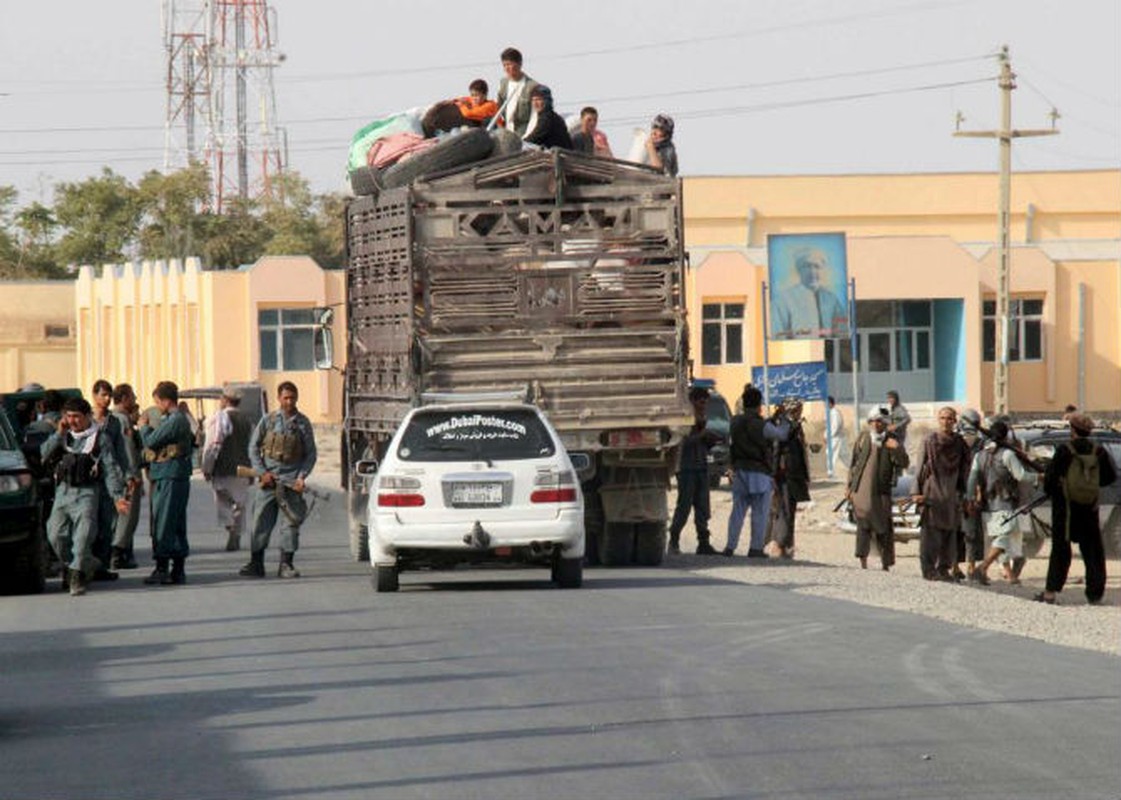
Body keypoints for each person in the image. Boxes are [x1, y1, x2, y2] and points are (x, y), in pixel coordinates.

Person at [40, 397, 129, 596]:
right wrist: (58, 434)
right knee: (55, 535)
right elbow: (43, 454)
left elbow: (111, 468)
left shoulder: (100, 438)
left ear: (87, 416)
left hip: (87, 493)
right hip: (63, 492)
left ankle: (77, 576)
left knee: (83, 536)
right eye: (69, 416)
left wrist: (117, 496)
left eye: (77, 417)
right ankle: (78, 565)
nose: (73, 421)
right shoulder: (63, 436)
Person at [1036, 414, 1117, 604]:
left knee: (1060, 551)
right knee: (1093, 552)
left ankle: (1050, 593)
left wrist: (1058, 487)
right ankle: (1094, 595)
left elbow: (1049, 482)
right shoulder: (1099, 452)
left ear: (1072, 429)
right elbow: (1109, 477)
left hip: (1065, 510)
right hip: (1089, 509)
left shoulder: (1065, 450)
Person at [240, 382, 318, 579]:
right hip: (269, 482)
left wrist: (301, 477)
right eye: (285, 398)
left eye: (292, 397)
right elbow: (253, 448)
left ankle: (286, 564)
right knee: (260, 523)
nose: (289, 401)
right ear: (279, 398)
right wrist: (261, 472)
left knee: (290, 525)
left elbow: (311, 455)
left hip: (291, 484)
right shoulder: (268, 421)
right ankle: (256, 563)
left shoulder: (303, 424)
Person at [723, 384, 790, 558]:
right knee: (759, 513)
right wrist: (784, 420)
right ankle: (755, 548)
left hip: (740, 471)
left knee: (737, 512)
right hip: (759, 472)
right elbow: (781, 434)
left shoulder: (735, 422)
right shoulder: (760, 425)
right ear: (759, 404)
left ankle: (730, 547)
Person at [967, 420, 1037, 586]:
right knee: (1003, 538)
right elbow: (1020, 476)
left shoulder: (979, 455)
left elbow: (972, 479)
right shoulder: (1007, 454)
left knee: (999, 538)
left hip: (987, 504)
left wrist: (970, 497)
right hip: (1005, 503)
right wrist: (1038, 477)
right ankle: (983, 568)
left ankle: (1010, 574)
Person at [140, 381, 195, 586]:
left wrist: (144, 427)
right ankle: (177, 569)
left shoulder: (175, 420)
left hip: (169, 474)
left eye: (157, 402)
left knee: (164, 521)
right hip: (173, 474)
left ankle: (162, 568)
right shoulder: (176, 419)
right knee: (175, 522)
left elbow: (152, 441)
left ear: (164, 400)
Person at [913, 407, 972, 581]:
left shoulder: (959, 443)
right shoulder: (929, 441)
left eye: (949, 418)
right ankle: (929, 570)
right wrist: (916, 491)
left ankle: (943, 568)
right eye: (943, 418)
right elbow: (919, 467)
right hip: (932, 492)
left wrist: (966, 494)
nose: (946, 421)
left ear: (954, 421)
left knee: (949, 534)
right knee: (930, 535)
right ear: (938, 420)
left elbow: (965, 469)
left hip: (951, 493)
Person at [847, 407, 909, 571]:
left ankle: (885, 563)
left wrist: (896, 448)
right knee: (864, 523)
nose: (876, 424)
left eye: (880, 421)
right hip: (862, 489)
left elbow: (904, 463)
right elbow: (853, 464)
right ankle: (863, 561)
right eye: (873, 421)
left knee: (884, 526)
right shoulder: (863, 438)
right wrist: (849, 487)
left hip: (882, 491)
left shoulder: (891, 440)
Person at [201, 384, 254, 552]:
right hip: (243, 469)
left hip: (223, 468)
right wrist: (253, 471)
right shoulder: (248, 421)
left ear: (224, 400)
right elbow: (253, 447)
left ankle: (230, 528)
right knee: (240, 503)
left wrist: (207, 467)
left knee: (223, 501)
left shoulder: (219, 418)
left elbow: (212, 444)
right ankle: (236, 532)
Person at [668, 386, 721, 555]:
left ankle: (703, 542)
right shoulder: (684, 419)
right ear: (693, 401)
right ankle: (674, 540)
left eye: (705, 401)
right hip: (686, 468)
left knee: (702, 507)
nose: (703, 404)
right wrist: (701, 435)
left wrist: (709, 440)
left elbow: (700, 442)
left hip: (701, 467)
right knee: (684, 506)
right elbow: (681, 443)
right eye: (700, 401)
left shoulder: (702, 418)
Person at [90, 378, 130, 580]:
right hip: (88, 479)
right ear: (94, 395)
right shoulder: (85, 418)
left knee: (107, 524)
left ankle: (101, 567)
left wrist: (128, 473)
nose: (106, 399)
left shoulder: (113, 422)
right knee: (88, 524)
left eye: (108, 395)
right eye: (103, 395)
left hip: (109, 479)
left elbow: (120, 451)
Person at [766, 397, 810, 559]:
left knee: (789, 509)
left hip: (793, 474)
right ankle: (778, 544)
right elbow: (777, 449)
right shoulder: (785, 425)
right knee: (783, 510)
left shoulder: (793, 425)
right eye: (799, 408)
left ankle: (787, 545)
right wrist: (773, 474)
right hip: (784, 474)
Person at [771, 247, 848, 339]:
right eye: (807, 266)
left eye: (817, 266)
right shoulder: (783, 300)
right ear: (799, 270)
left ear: (822, 270)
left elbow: (842, 333)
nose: (812, 272)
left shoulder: (831, 299)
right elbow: (778, 335)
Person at [109, 383, 143, 570]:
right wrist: (133, 474)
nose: (135, 399)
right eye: (132, 396)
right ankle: (118, 553)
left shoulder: (113, 418)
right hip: (125, 475)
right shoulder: (122, 420)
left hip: (117, 474)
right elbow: (127, 448)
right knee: (128, 516)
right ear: (123, 399)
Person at [956, 408, 987, 582]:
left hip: (975, 493)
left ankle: (971, 567)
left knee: (972, 532)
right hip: (957, 491)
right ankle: (955, 566)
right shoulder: (955, 441)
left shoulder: (982, 445)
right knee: (957, 532)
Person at [493, 47, 539, 137]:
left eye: (510, 64)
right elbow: (498, 109)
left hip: (524, 135)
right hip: (506, 134)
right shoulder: (503, 84)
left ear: (519, 64)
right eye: (505, 65)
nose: (507, 68)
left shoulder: (532, 86)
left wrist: (527, 137)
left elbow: (534, 117)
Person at [523, 85, 573, 150]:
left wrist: (521, 144)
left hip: (559, 157)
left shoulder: (547, 118)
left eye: (538, 99)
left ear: (547, 100)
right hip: (556, 156)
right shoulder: (548, 116)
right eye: (533, 100)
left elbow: (535, 137)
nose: (535, 103)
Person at [825, 395, 848, 479]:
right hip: (836, 438)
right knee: (844, 456)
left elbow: (835, 426)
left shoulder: (835, 413)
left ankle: (830, 473)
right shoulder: (830, 412)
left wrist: (828, 437)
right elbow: (828, 426)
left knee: (832, 455)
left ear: (831, 403)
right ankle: (853, 469)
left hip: (836, 438)